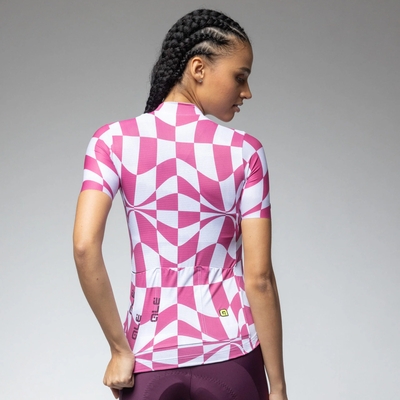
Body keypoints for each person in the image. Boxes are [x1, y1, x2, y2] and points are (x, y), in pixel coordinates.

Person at [73, 8, 288, 400]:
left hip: (148, 357)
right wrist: (278, 388)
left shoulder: (111, 141)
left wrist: (119, 350)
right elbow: (259, 278)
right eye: (240, 76)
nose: (247, 92)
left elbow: (85, 246)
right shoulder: (245, 152)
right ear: (198, 68)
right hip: (232, 353)